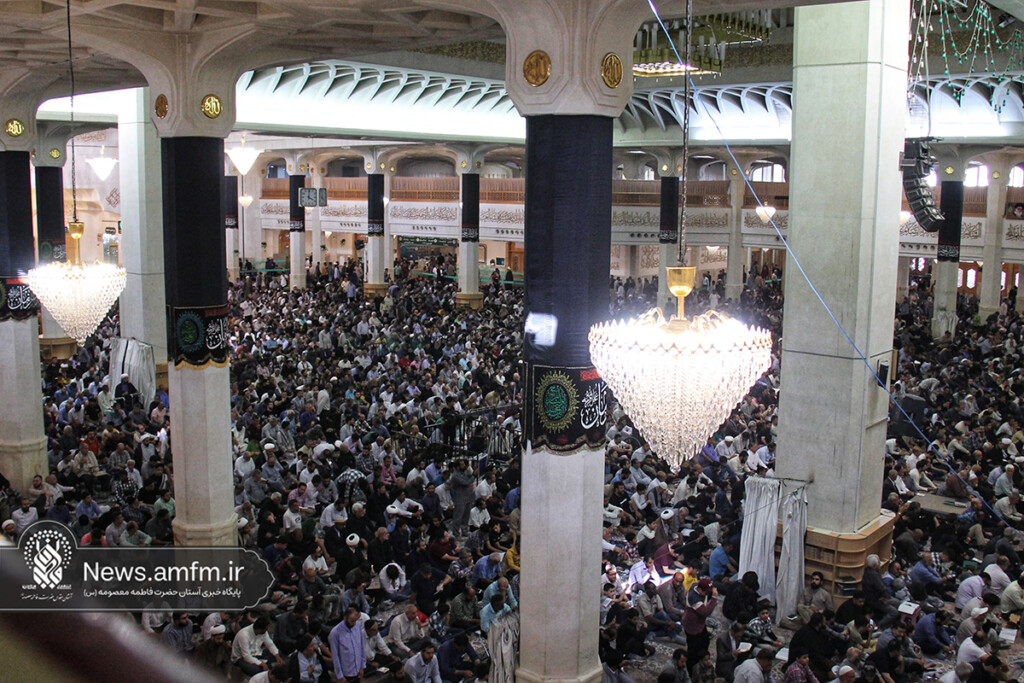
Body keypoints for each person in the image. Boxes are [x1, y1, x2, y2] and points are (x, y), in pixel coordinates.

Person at [681, 578, 717, 673]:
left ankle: (702, 661)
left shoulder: (696, 585)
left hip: (700, 624)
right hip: (692, 626)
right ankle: (691, 671)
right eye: (706, 592)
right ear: (700, 590)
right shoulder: (694, 599)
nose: (708, 594)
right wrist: (714, 598)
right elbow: (706, 612)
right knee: (693, 652)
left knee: (705, 642)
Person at [330, 607, 366, 683]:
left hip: (358, 669)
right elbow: (335, 656)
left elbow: (362, 647)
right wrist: (340, 675)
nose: (354, 623)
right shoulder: (335, 633)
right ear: (345, 618)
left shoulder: (357, 626)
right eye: (352, 621)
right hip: (346, 673)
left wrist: (362, 666)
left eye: (355, 621)